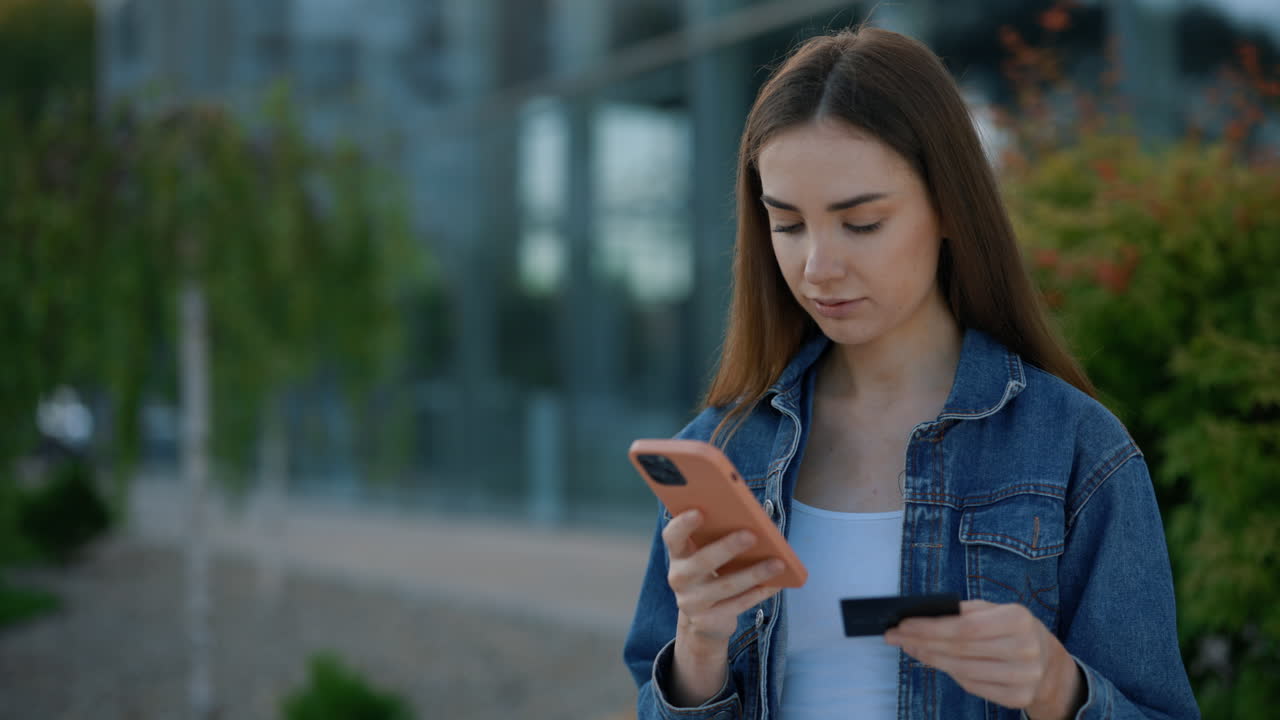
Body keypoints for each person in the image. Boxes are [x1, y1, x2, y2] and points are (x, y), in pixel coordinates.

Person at [622, 25, 1199, 720]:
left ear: (950, 207)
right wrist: (699, 650)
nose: (817, 267)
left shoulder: (1076, 450)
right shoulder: (723, 452)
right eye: (788, 225)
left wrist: (1058, 689)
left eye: (861, 223)